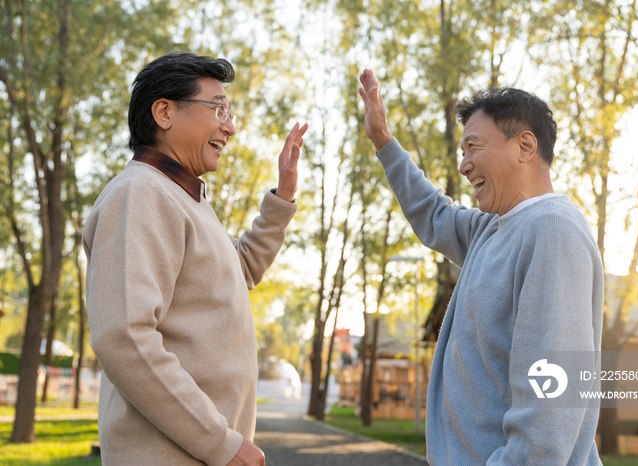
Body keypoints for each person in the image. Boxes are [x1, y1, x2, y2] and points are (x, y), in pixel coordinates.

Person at [359, 69, 603, 465]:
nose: (464, 165)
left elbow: (552, 398)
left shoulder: (552, 231)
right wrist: (384, 141)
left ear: (525, 146)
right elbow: (433, 213)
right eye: (462, 152)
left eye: (473, 147)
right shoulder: (493, 227)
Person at [83, 52, 307, 466]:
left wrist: (283, 197)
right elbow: (124, 336)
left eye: (230, 111)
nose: (230, 126)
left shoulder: (185, 198)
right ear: (164, 112)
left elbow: (238, 273)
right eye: (218, 108)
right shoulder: (141, 194)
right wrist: (220, 443)